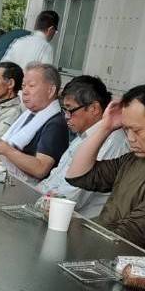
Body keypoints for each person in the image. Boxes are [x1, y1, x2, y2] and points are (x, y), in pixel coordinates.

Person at [66, 84, 145, 257]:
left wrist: (75, 229)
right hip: (100, 249)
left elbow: (131, 234)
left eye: (137, 130)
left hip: (125, 262)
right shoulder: (133, 159)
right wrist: (106, 127)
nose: (130, 138)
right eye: (126, 129)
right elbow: (78, 176)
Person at [37, 76, 129, 217]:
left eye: (70, 110)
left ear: (94, 108)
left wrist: (41, 199)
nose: (66, 116)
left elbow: (71, 197)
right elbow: (56, 176)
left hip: (77, 221)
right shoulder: (84, 134)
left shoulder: (111, 141)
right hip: (51, 208)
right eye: (64, 110)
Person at [0, 63, 69, 184]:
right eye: (23, 86)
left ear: (51, 90)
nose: (25, 91)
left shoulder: (55, 124)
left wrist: (7, 151)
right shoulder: (29, 114)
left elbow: (41, 169)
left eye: (31, 86)